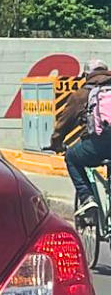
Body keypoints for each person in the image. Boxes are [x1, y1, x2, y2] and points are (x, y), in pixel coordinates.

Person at [52, 59, 111, 216]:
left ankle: (87, 198)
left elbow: (64, 123)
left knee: (71, 157)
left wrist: (56, 143)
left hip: (97, 146)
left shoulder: (82, 94)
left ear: (86, 75)